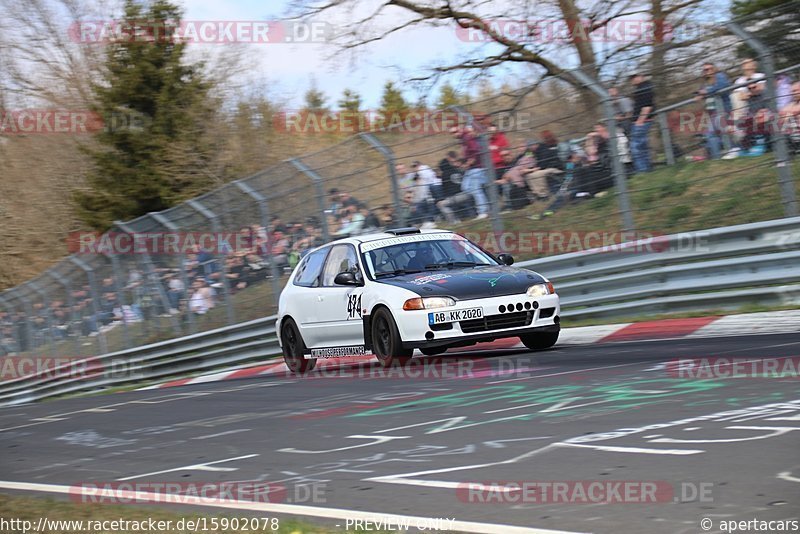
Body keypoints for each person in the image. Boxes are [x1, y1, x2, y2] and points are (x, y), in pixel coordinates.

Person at [696, 62, 732, 160]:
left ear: (714, 69)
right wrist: (699, 95)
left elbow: (723, 86)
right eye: (705, 70)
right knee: (711, 134)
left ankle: (731, 151)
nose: (708, 71)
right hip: (711, 112)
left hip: (723, 109)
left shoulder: (720, 76)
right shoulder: (705, 82)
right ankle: (717, 158)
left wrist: (706, 91)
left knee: (722, 132)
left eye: (710, 69)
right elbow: (700, 92)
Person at [629, 73, 655, 172]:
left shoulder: (644, 88)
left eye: (635, 77)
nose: (634, 80)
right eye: (632, 78)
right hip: (641, 120)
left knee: (636, 147)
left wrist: (640, 121)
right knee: (642, 146)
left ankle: (642, 170)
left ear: (641, 77)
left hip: (642, 121)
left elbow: (647, 106)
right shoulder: (641, 88)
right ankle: (647, 169)